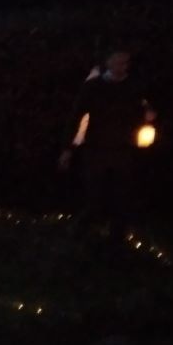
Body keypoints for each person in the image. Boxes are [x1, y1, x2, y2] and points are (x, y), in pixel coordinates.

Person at [58, 50, 156, 241]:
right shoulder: (93, 87)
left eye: (125, 62)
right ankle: (79, 237)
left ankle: (117, 243)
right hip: (96, 149)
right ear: (108, 62)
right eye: (118, 62)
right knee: (94, 197)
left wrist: (147, 116)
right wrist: (67, 148)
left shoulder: (134, 86)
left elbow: (143, 111)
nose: (122, 66)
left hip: (123, 149)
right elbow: (76, 116)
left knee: (122, 198)